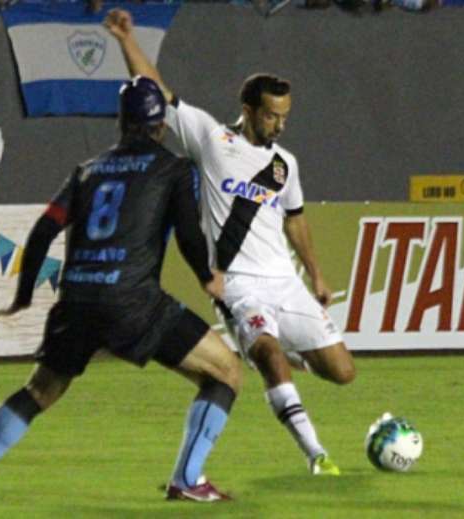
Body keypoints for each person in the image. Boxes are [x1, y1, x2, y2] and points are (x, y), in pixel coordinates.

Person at [0, 76, 241, 503]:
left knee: (39, 392)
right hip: (134, 304)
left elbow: (44, 231)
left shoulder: (88, 170)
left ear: (121, 122)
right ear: (162, 125)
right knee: (226, 372)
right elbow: (190, 234)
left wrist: (24, 297)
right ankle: (187, 480)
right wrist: (207, 278)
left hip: (76, 302)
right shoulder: (173, 169)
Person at [105, 9, 356, 477]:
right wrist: (126, 39)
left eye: (284, 116)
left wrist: (316, 274)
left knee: (343, 371)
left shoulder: (285, 165)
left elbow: (295, 221)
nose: (279, 125)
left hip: (285, 282)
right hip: (239, 284)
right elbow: (156, 89)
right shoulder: (211, 139)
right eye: (271, 116)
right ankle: (316, 453)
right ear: (248, 110)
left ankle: (283, 351)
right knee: (266, 354)